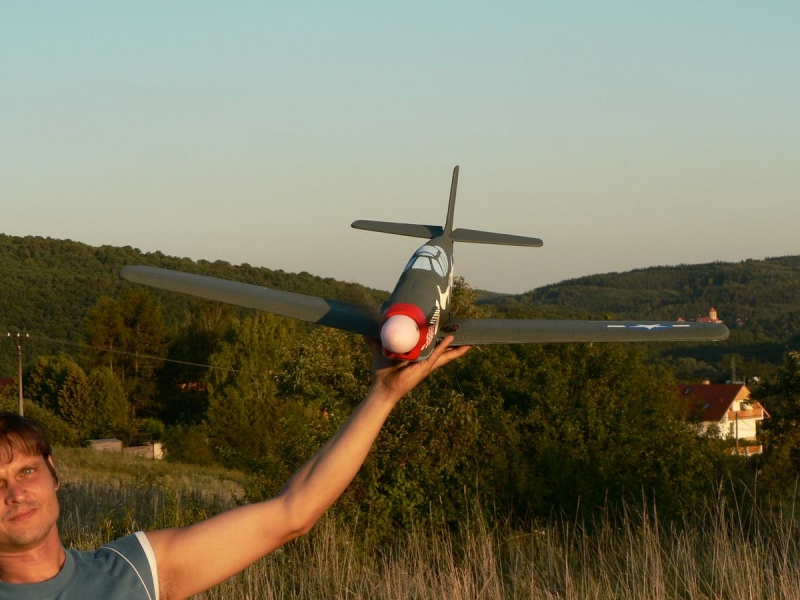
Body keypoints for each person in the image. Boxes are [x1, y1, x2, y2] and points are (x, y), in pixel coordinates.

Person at [0, 336, 469, 599]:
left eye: (26, 471)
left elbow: (292, 513)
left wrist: (383, 395)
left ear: (54, 474)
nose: (16, 494)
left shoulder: (133, 571)